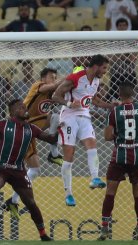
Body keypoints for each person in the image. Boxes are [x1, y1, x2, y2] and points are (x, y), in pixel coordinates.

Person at [0, 99, 57, 241]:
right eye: (21, 107)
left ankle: (43, 234)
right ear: (13, 112)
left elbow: (50, 139)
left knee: (30, 202)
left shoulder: (31, 129)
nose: (25, 109)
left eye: (25, 107)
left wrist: (62, 128)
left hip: (19, 170)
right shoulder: (3, 125)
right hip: (1, 167)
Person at [52, 54, 115, 207]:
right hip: (69, 117)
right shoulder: (75, 78)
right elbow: (55, 95)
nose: (106, 71)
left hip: (84, 116)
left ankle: (94, 178)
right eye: (104, 68)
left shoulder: (97, 81)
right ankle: (68, 194)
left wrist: (111, 105)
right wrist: (68, 103)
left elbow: (94, 100)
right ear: (96, 66)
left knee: (92, 144)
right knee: (69, 155)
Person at [98, 81, 138, 241]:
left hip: (119, 155)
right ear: (133, 94)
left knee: (110, 192)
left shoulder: (114, 112)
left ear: (119, 95)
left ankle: (105, 229)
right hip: (137, 155)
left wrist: (119, 132)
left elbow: (107, 137)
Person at [4, 68, 64, 217]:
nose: (54, 79)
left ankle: (13, 200)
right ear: (43, 78)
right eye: (52, 77)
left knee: (35, 170)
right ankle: (54, 153)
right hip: (23, 126)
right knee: (55, 117)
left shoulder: (53, 94)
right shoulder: (38, 85)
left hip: (31, 131)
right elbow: (53, 86)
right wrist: (72, 76)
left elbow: (61, 89)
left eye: (56, 77)